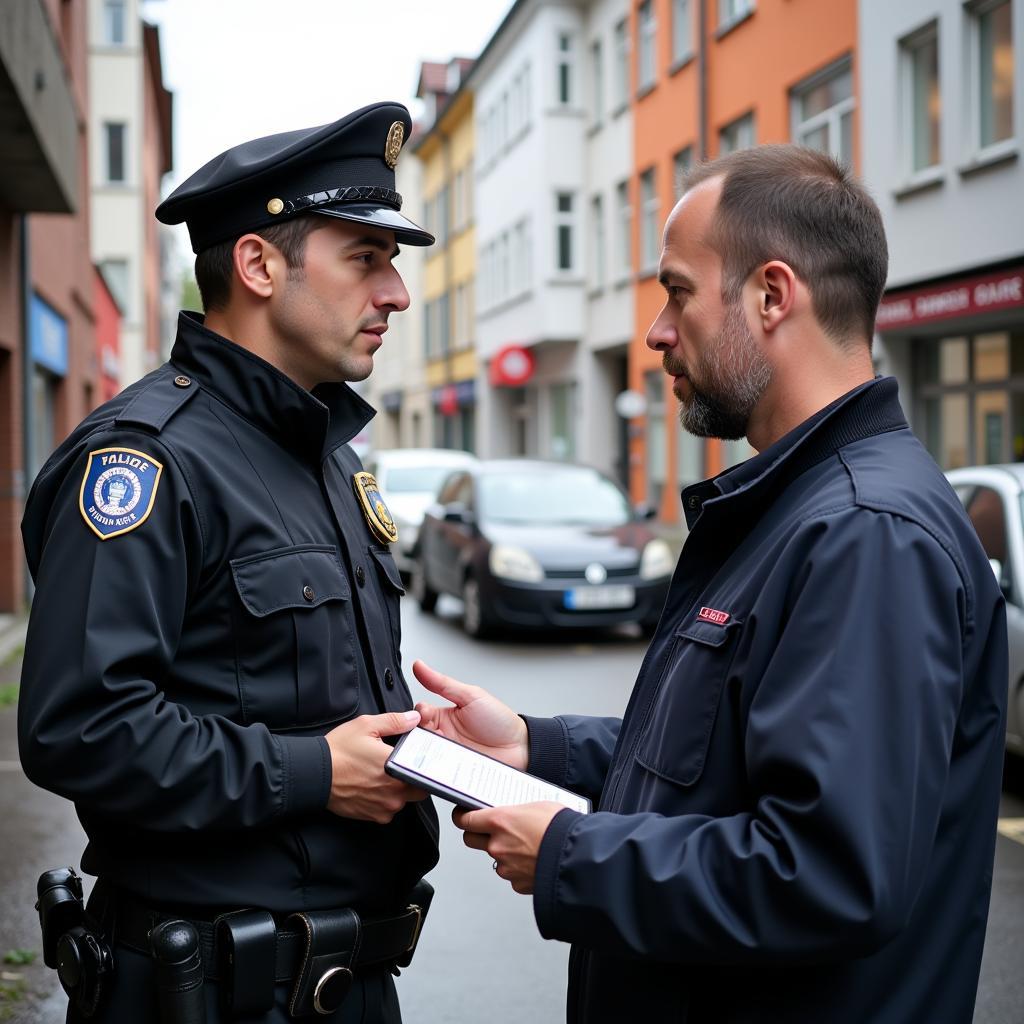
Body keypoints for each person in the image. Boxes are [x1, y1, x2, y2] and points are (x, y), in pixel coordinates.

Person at [411, 145, 1008, 1023]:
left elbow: (829, 875)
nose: (656, 331)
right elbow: (719, 759)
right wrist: (538, 749)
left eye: (678, 291)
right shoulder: (796, 506)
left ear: (773, 295)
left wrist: (572, 856)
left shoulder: (863, 533)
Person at [19, 102, 439, 1023]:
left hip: (349, 978)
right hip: (207, 989)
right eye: (366, 259)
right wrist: (317, 771)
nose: (397, 295)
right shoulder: (143, 460)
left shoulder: (328, 453)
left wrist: (412, 743)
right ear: (257, 265)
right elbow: (80, 727)